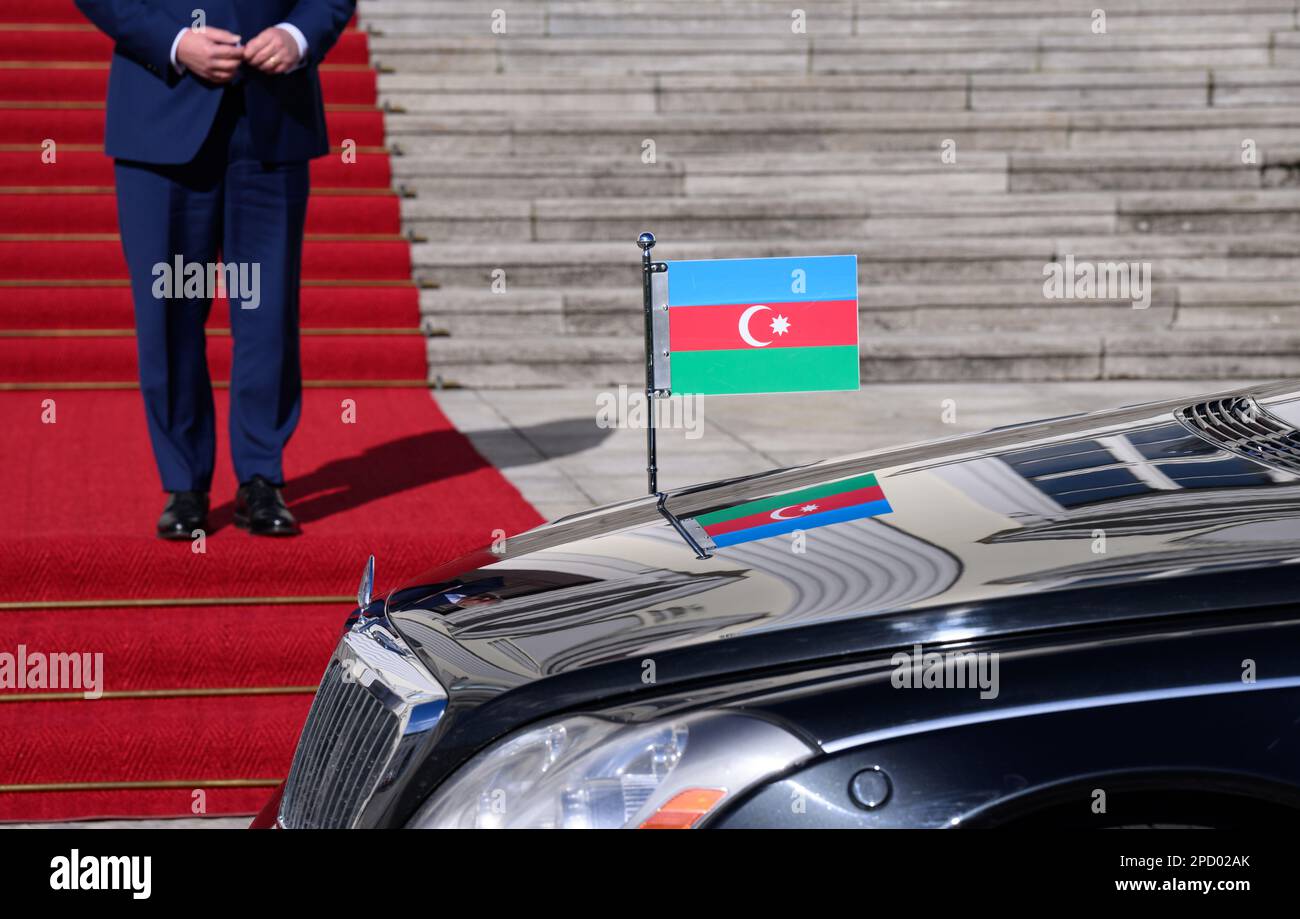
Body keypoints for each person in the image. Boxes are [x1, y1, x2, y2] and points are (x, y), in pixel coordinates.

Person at [75, 0, 356, 538]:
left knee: (267, 307)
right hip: (161, 111)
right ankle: (184, 484)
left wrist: (297, 35)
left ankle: (261, 477)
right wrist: (177, 42)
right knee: (168, 311)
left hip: (273, 115)